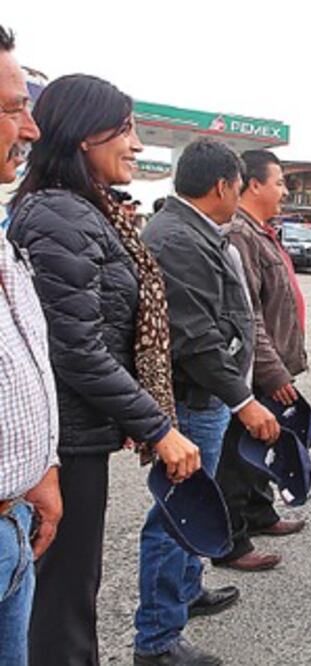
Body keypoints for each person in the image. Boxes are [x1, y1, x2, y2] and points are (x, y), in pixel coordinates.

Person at [7, 71, 202, 665]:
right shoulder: (61, 216)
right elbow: (79, 349)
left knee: (69, 595)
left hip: (78, 437)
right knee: (61, 608)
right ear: (82, 137)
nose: (138, 145)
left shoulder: (90, 212)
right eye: (124, 130)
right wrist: (158, 427)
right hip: (64, 442)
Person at [134, 138, 280, 665]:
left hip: (206, 398)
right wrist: (244, 401)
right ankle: (156, 642)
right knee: (176, 518)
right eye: (239, 187)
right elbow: (195, 338)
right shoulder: (177, 239)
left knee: (194, 513)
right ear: (222, 186)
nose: (239, 196)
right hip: (195, 400)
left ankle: (185, 590)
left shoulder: (196, 231)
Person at [214, 150, 307, 571]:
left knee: (261, 447)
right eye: (280, 182)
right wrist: (272, 372)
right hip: (252, 371)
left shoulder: (261, 232)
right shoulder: (240, 236)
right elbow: (248, 314)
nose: (284, 191)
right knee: (236, 455)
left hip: (268, 368)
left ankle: (258, 512)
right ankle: (231, 541)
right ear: (253, 185)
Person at [0, 25, 61, 666]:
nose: (31, 130)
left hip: (15, 521)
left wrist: (38, 469)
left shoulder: (4, 239)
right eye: (15, 109)